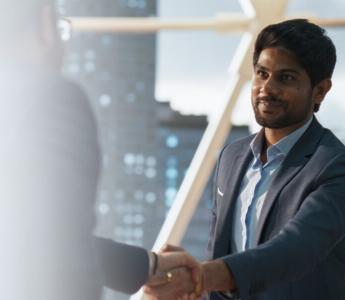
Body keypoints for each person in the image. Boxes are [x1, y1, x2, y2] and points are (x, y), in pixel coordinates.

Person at [145, 19, 345, 300]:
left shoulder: (342, 168)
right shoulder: (232, 157)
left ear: (320, 90)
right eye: (261, 74)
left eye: (286, 78)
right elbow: (222, 249)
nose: (267, 88)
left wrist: (200, 276)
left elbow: (296, 250)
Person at [0, 1, 200, 299]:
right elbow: (63, 252)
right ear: (45, 24)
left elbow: (26, 232)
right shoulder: (49, 97)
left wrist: (148, 265)